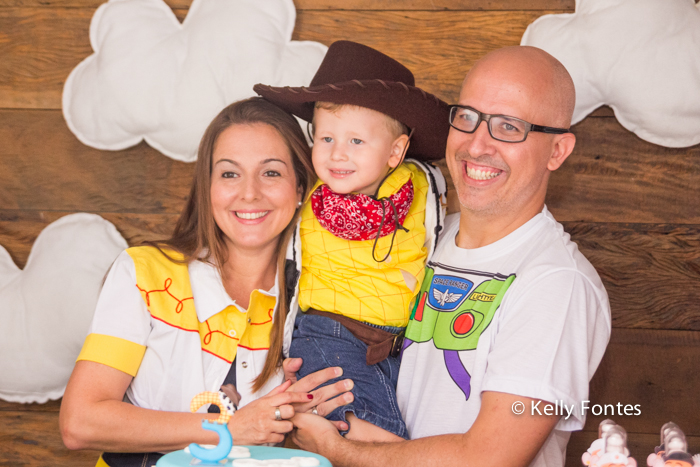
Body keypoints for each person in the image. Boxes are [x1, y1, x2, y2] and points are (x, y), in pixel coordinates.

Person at [290, 46, 612, 467]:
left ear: (557, 151)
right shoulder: (423, 239)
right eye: (467, 117)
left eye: (509, 126)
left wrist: (337, 448)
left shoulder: (556, 284)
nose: (477, 144)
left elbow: (489, 458)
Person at [59, 97, 353, 467]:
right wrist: (225, 427)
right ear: (208, 187)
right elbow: (80, 423)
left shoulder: (319, 298)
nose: (249, 193)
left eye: (271, 172)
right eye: (229, 173)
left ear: (299, 189)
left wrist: (300, 423)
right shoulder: (146, 273)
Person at [254, 41, 449, 441]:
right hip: (326, 332)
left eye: (356, 142)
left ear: (396, 152)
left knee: (398, 424)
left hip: (395, 344)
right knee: (376, 433)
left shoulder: (419, 192)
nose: (337, 154)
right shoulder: (307, 192)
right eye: (326, 139)